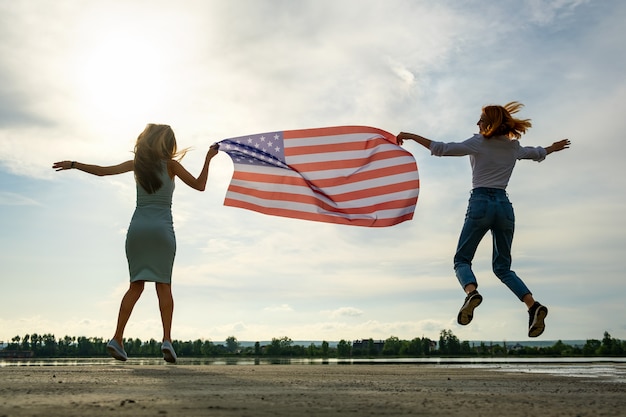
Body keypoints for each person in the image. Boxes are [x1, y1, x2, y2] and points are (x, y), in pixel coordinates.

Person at [397, 102, 570, 337]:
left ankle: (471, 293)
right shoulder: (513, 147)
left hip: (480, 203)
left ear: (488, 123)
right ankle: (533, 305)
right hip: (504, 207)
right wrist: (553, 148)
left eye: (480, 120)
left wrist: (410, 135)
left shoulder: (478, 142)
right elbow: (536, 152)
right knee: (503, 267)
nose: (477, 124)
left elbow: (441, 148)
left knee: (462, 260)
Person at [53, 124, 219, 362]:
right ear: (168, 143)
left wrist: (74, 164)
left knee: (136, 285)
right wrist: (208, 158)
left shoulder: (137, 165)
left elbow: (102, 172)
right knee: (164, 286)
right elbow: (200, 185)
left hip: (137, 229)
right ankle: (167, 341)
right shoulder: (171, 165)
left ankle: (117, 338)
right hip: (162, 230)